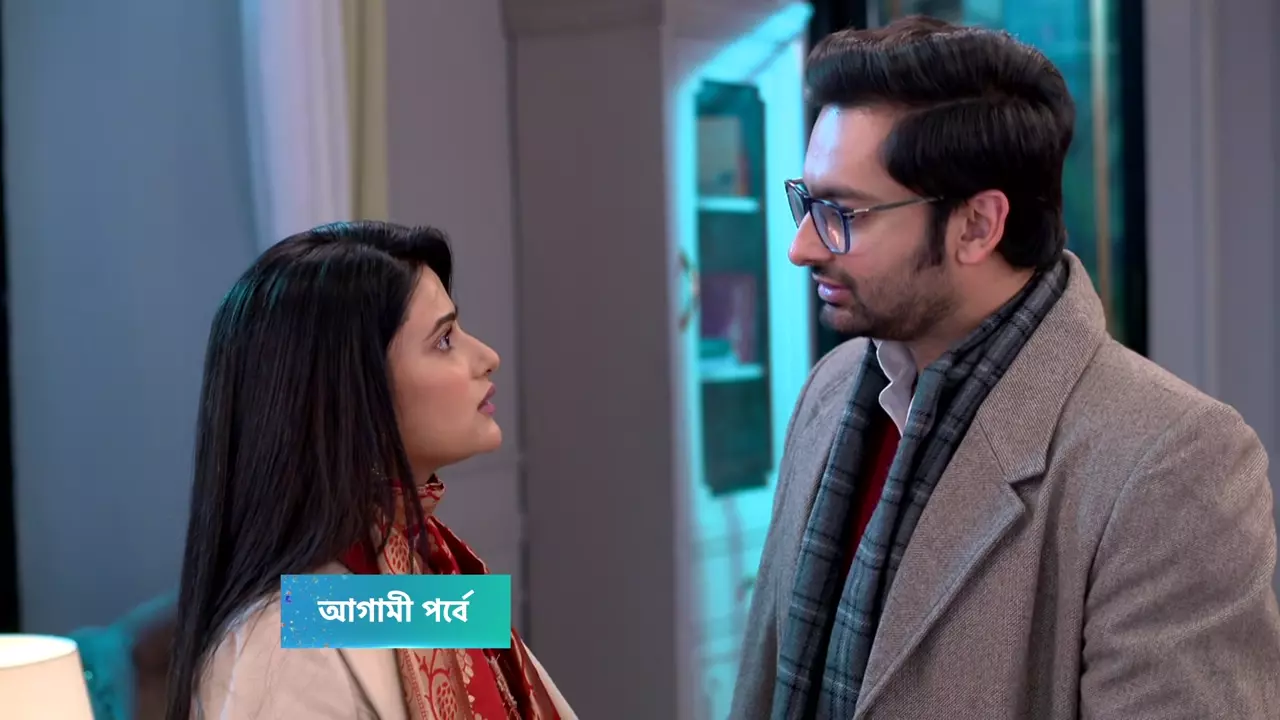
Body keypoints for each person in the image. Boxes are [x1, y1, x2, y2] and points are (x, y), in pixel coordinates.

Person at [732, 16, 1280, 720]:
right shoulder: (831, 389)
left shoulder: (1172, 461)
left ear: (978, 225)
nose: (803, 247)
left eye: (845, 212)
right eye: (808, 202)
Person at [165, 222, 574, 719]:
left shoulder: (429, 567)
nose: (488, 357)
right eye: (444, 339)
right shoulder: (285, 644)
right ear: (349, 393)